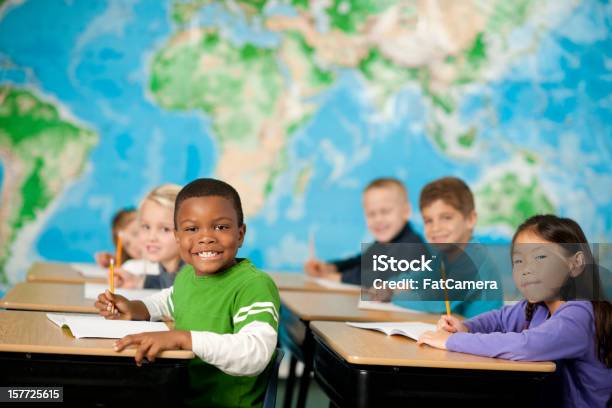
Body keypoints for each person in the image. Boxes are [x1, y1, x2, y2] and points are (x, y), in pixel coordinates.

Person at [95, 178, 280, 407]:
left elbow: (255, 354)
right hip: (184, 395)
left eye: (221, 227)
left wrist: (184, 338)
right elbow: (168, 301)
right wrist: (137, 308)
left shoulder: (254, 285)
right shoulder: (188, 276)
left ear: (240, 234)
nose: (206, 237)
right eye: (192, 229)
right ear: (178, 237)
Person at [418, 214, 612, 408]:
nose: (526, 269)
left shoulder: (580, 313)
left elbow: (527, 346)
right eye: (519, 261)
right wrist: (466, 327)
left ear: (575, 263)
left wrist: (451, 341)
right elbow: (499, 319)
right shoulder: (538, 307)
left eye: (540, 257)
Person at [387, 176, 503, 318]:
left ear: (470, 219)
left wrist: (395, 294)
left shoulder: (473, 260)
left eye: (446, 217)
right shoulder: (443, 255)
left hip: (481, 337)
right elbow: (417, 278)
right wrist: (389, 286)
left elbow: (434, 302)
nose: (435, 228)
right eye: (428, 220)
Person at [304, 177, 425, 285]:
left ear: (406, 211)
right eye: (371, 214)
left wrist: (335, 277)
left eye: (385, 211)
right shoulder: (382, 244)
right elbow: (360, 262)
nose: (378, 219)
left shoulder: (412, 246)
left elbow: (378, 276)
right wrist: (330, 267)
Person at [115, 184, 183, 289]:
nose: (151, 237)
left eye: (165, 229)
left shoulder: (197, 274)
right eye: (146, 227)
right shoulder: (168, 266)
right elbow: (166, 282)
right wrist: (136, 281)